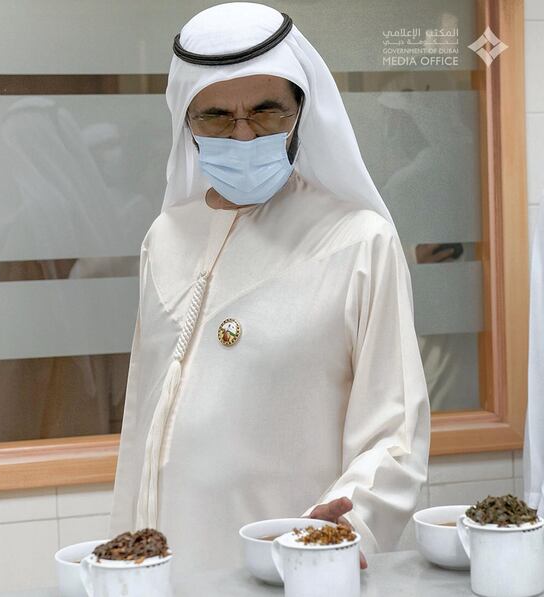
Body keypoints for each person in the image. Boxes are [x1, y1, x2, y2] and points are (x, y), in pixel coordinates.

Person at [110, 3, 430, 574]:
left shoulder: (357, 240)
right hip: (163, 562)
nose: (243, 133)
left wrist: (343, 523)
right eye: (215, 116)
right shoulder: (165, 236)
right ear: (187, 123)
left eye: (265, 111)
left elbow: (395, 430)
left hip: (289, 562)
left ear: (300, 114)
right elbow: (143, 422)